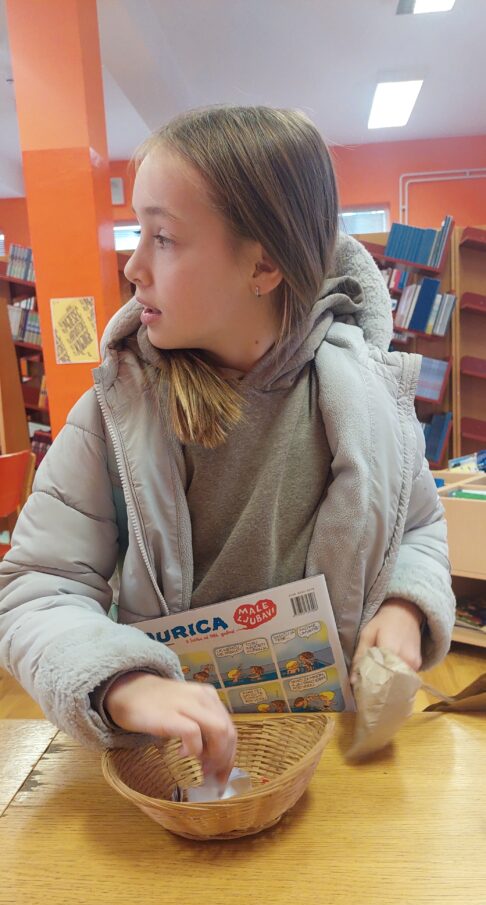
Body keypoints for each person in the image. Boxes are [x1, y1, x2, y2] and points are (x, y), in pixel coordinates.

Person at [0, 105, 455, 783]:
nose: (132, 266)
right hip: (171, 766)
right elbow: (37, 587)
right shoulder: (113, 414)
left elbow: (417, 527)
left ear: (263, 264)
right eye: (137, 233)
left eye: (163, 237)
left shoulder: (372, 399)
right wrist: (123, 681)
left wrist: (405, 607)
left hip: (333, 758)